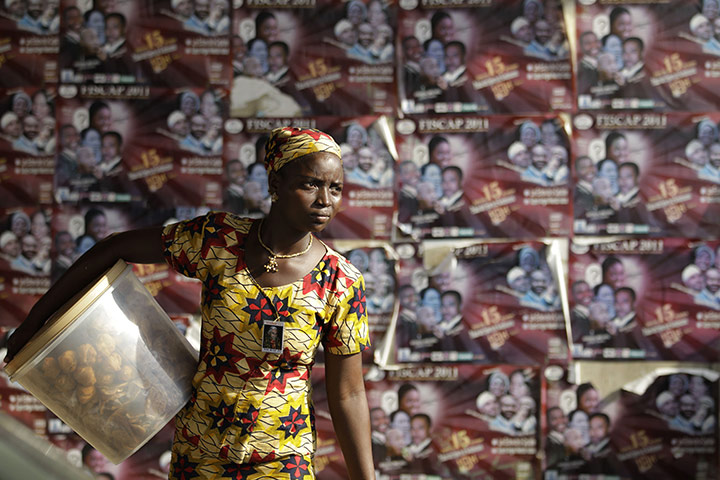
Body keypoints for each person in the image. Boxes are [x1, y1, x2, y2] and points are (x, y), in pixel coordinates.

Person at [5, 127, 375, 478]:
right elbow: (114, 247)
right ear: (276, 184)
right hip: (200, 451)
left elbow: (349, 393)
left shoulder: (340, 281)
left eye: (336, 188)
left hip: (282, 458)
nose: (325, 200)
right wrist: (36, 322)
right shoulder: (219, 239)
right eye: (311, 184)